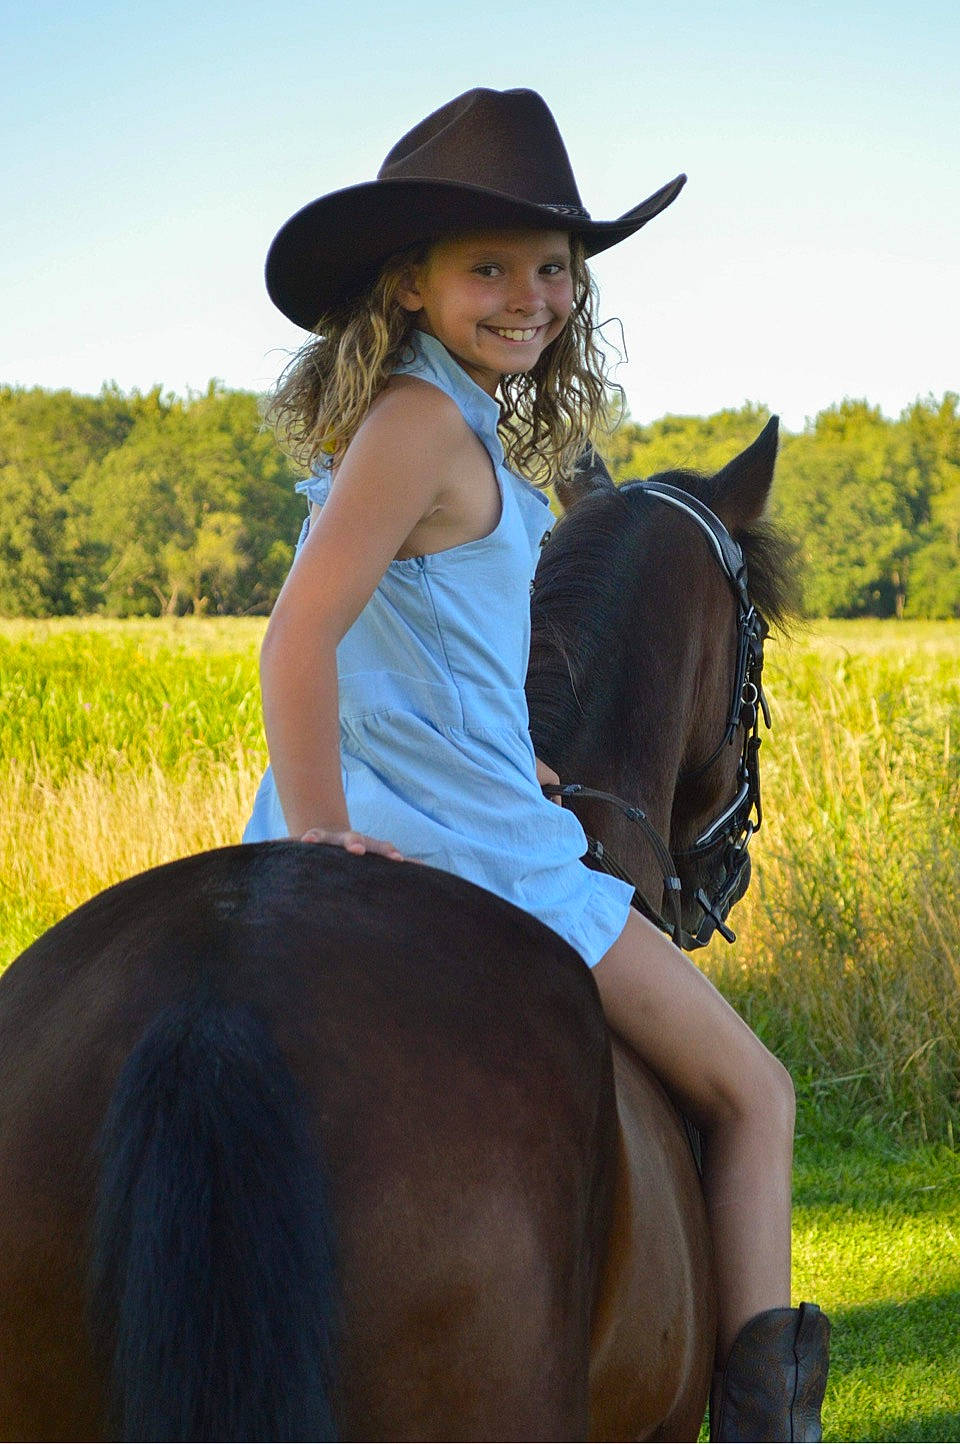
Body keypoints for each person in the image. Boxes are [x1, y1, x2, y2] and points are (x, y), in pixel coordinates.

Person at [244, 87, 829, 1441]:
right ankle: (767, 1428)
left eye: (555, 267)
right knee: (758, 1093)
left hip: (472, 802)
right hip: (479, 859)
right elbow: (298, 641)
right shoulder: (423, 429)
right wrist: (325, 837)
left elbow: (422, 652)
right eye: (490, 267)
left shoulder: (433, 422)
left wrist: (517, 762)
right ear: (411, 282)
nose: (533, 295)